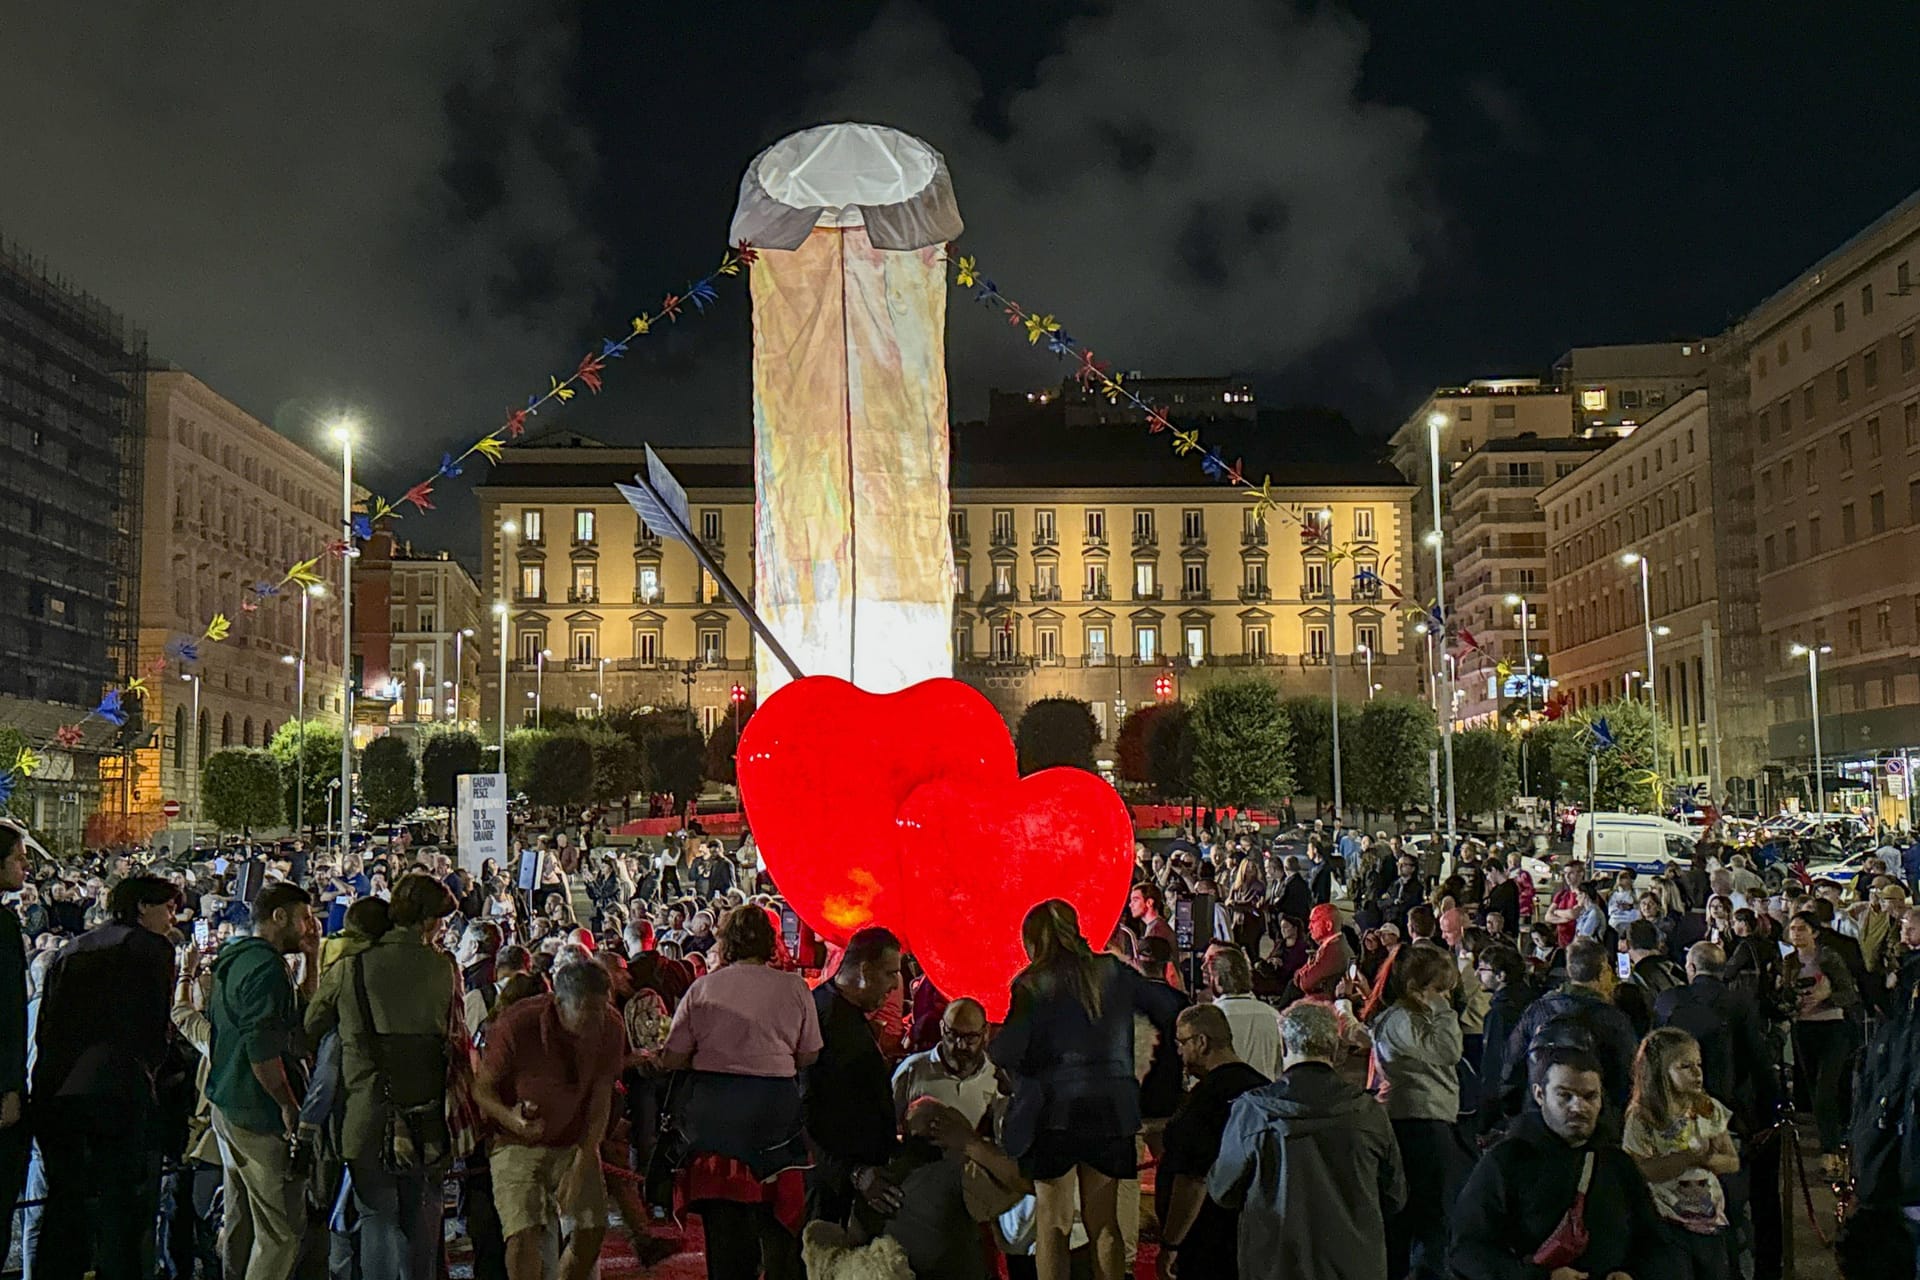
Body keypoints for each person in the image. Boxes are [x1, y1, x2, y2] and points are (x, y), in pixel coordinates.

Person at [990, 899, 1182, 1280]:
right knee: (1106, 1225)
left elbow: (1007, 1049)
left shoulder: (1032, 983)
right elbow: (1164, 1004)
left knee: (1054, 1223)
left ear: (1033, 940)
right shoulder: (1110, 970)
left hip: (1052, 1116)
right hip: (1111, 1111)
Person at [649, 903, 821, 1280]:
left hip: (717, 1121)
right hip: (776, 1117)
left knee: (726, 1241)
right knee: (781, 1230)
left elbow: (673, 1058)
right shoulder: (794, 988)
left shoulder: (703, 988)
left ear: (725, 942)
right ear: (770, 942)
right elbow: (808, 1054)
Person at [306, 872, 461, 1278]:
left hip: (366, 1114)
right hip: (427, 1115)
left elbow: (310, 1024)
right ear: (430, 922)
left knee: (376, 1215)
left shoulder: (351, 968)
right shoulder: (444, 968)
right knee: (423, 1218)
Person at [30, 873, 183, 1280]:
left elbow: (47, 1027)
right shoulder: (151, 949)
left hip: (58, 1089)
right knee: (122, 1212)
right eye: (167, 908)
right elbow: (154, 1028)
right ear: (142, 908)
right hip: (117, 1090)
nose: (173, 918)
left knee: (65, 1207)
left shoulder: (72, 950)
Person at [1210, 1000, 1404, 1280]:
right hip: (1354, 1263)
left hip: (1277, 1262)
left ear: (1284, 1046)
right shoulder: (1367, 1112)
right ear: (1335, 1049)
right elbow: (1394, 1195)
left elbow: (1223, 1190)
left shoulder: (1255, 1111)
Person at [1452, 1047, 1669, 1280]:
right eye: (1565, 1095)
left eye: (1589, 1096)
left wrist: (1632, 1274)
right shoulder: (1507, 1161)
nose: (1578, 1107)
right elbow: (1468, 1250)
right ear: (1539, 1095)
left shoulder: (1617, 1164)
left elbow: (1655, 1243)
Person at [475, 958, 625, 1280]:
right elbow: (482, 1089)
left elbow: (601, 1098)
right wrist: (512, 1119)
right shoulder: (517, 1024)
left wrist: (585, 1159)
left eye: (602, 1008)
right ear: (559, 1003)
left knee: (591, 1229)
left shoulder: (611, 1026)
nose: (596, 1020)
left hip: (574, 1140)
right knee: (523, 1232)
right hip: (515, 1142)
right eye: (586, 1010)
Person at [204, 880, 317, 1280]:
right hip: (257, 1110)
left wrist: (311, 958)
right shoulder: (269, 969)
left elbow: (296, 1013)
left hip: (227, 1104)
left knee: (242, 1215)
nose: (310, 927)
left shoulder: (236, 957)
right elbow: (263, 1051)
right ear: (279, 917)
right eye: (304, 918)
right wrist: (288, 1104)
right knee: (281, 1233)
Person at [1367, 942, 1464, 1280]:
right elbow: (1448, 1050)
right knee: (1427, 1220)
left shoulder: (1410, 1018)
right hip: (1418, 1124)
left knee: (1424, 1219)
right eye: (1439, 990)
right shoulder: (1402, 1020)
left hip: (1426, 1121)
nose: (1445, 998)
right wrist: (1443, 1011)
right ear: (1413, 988)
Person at [1154, 1004, 1268, 1280]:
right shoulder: (1263, 1089)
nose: (1179, 1052)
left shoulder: (1203, 1101)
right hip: (1253, 1235)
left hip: (1208, 1241)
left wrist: (1171, 1243)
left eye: (1181, 1042)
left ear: (1201, 1042)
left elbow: (1193, 1179)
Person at [804, 926, 905, 1228]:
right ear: (864, 970)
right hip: (830, 1187)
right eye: (889, 974)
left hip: (849, 1181)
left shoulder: (840, 1012)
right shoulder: (824, 1019)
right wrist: (853, 1172)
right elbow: (807, 1109)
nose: (894, 985)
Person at [1622, 1028, 1739, 1279]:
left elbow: (1732, 1161)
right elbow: (1638, 1169)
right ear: (1660, 1071)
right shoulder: (1643, 1116)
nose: (1697, 1072)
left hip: (1709, 1220)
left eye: (1699, 1064)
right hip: (1665, 1224)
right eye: (1685, 1066)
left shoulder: (1707, 1108)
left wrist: (1708, 1159)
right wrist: (1687, 1157)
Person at [1501, 936, 1639, 1116]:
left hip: (1543, 1114)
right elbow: (1629, 1074)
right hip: (1594, 1119)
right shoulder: (1613, 1019)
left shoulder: (1538, 1011)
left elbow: (1512, 1066)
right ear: (1603, 972)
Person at [1785, 909, 1859, 1179]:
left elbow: (1849, 993)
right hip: (1805, 1029)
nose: (1796, 933)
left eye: (1802, 928)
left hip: (1833, 1027)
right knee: (1816, 1089)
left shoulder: (1828, 957)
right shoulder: (1790, 961)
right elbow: (1784, 994)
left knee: (1826, 1088)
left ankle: (1831, 1151)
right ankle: (1835, 1138)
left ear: (1814, 932)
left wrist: (1825, 998)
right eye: (1792, 929)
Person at [892, 997, 996, 1127]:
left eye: (970, 1037)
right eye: (952, 1034)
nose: (961, 1045)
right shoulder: (912, 1069)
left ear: (986, 1032)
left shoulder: (996, 1078)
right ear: (942, 1028)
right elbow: (890, 1124)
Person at [1472, 943, 1533, 1135]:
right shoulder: (1531, 1001)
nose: (1477, 974)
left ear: (1501, 976)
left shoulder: (1500, 1013)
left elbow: (1493, 1067)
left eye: (1482, 969)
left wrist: (1484, 1121)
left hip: (1506, 1109)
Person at [1207, 946, 1283, 1081]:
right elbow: (1280, 1067)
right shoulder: (1272, 1015)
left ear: (1217, 979)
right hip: (1263, 1096)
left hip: (1224, 1097)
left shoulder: (1210, 1018)